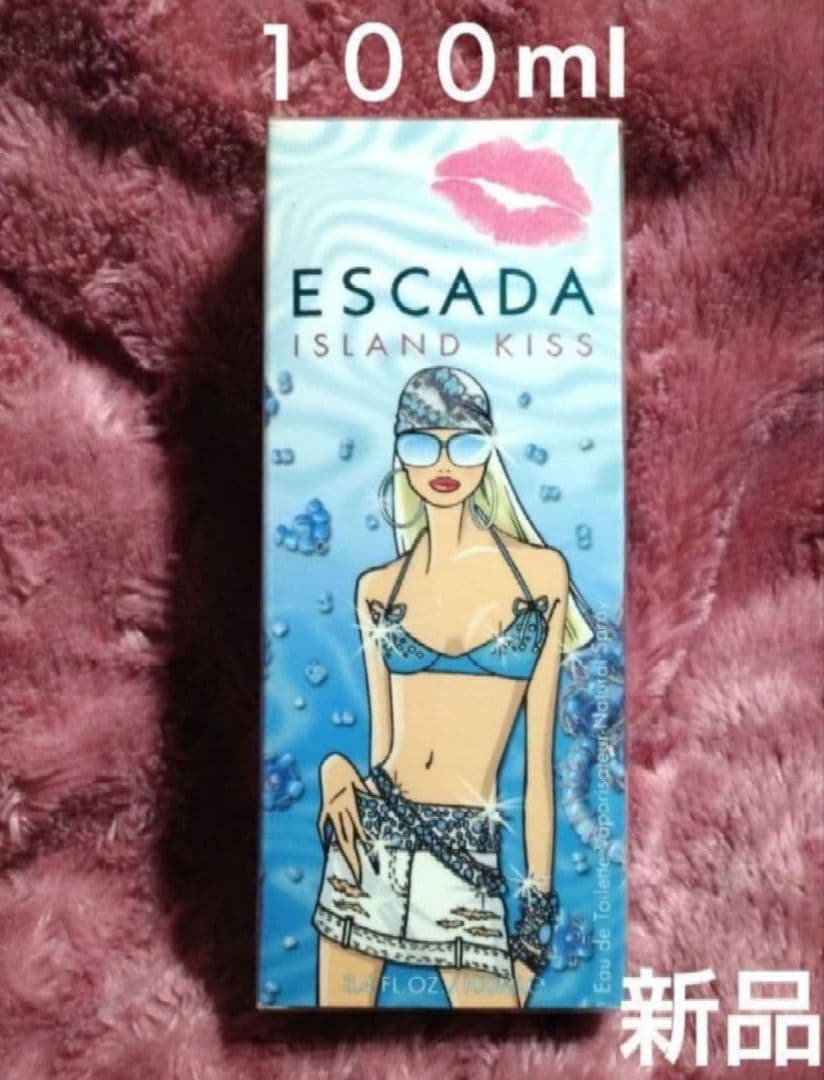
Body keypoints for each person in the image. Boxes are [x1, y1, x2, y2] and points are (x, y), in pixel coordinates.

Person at [313, 366, 594, 1008]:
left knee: (502, 1026)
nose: (443, 461)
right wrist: (334, 771)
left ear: (488, 450)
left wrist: (535, 920)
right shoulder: (378, 588)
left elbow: (539, 766)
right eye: (422, 443)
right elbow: (384, 748)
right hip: (368, 844)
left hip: (466, 856)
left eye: (463, 443)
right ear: (400, 454)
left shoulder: (540, 575)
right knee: (329, 1035)